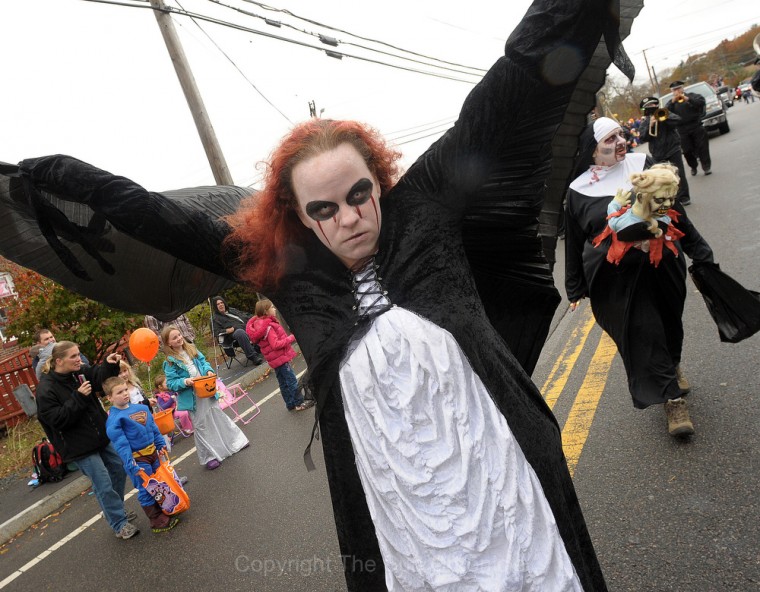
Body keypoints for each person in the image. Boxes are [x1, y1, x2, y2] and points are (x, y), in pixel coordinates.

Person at [2, 1, 649, 588]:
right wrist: (49, 176)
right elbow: (157, 218)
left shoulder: (426, 211)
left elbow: (512, 85)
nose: (348, 217)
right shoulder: (288, 272)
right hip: (404, 530)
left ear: (379, 178)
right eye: (324, 207)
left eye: (359, 193)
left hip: (510, 485)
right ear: (301, 216)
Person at [565, 117, 715, 438]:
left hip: (663, 263)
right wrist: (575, 286)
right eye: (610, 139)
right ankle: (672, 400)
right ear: (592, 151)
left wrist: (699, 249)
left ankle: (672, 363)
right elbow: (576, 239)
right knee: (644, 330)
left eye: (621, 134)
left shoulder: (642, 164)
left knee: (670, 322)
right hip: (619, 277)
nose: (621, 141)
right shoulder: (578, 190)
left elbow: (674, 211)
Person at [36, 341, 139, 539]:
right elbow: (57, 420)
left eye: (79, 354)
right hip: (78, 446)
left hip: (100, 435)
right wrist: (79, 397)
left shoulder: (79, 372)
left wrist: (109, 365)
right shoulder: (46, 389)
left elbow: (99, 379)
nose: (79, 359)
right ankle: (119, 523)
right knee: (103, 483)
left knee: (118, 468)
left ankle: (113, 510)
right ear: (59, 361)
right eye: (73, 356)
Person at [161, 325, 248, 470]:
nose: (179, 338)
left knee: (217, 415)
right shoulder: (169, 362)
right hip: (192, 397)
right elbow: (171, 383)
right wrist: (185, 381)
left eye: (179, 335)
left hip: (206, 389)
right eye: (174, 337)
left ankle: (235, 441)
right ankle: (209, 456)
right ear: (169, 343)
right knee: (201, 425)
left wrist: (208, 370)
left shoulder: (192, 349)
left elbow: (204, 363)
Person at [104, 376, 181, 533]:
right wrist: (130, 463)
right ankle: (157, 521)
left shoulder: (141, 408)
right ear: (109, 397)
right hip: (138, 459)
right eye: (119, 392)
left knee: (161, 482)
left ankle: (168, 508)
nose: (125, 394)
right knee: (146, 488)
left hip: (153, 452)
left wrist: (160, 445)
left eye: (125, 389)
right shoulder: (114, 420)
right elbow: (121, 444)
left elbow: (153, 428)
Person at [246, 299, 308, 411]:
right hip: (280, 358)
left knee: (283, 383)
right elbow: (275, 344)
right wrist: (292, 337)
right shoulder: (268, 327)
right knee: (291, 381)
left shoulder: (260, 326)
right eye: (272, 307)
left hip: (274, 360)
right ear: (266, 311)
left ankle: (290, 404)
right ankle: (299, 403)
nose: (274, 309)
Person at [637, 96, 692, 205]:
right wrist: (650, 125)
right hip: (658, 153)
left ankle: (684, 197)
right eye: (648, 106)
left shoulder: (665, 113)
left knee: (678, 173)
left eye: (653, 105)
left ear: (656, 105)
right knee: (662, 178)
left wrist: (664, 118)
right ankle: (670, 198)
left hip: (672, 149)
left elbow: (677, 120)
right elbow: (642, 137)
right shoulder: (645, 122)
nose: (651, 107)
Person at [665, 80, 711, 176]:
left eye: (678, 88)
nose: (677, 91)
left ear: (682, 88)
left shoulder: (692, 95)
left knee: (703, 148)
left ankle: (706, 167)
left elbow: (701, 102)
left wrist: (688, 99)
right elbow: (665, 113)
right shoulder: (671, 102)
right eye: (674, 90)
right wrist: (672, 103)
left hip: (696, 126)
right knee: (687, 151)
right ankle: (693, 166)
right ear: (672, 92)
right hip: (681, 130)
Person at [210, 296, 264, 365]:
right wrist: (226, 330)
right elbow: (216, 332)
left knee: (259, 321)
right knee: (240, 332)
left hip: (247, 328)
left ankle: (264, 346)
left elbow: (244, 315)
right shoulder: (215, 318)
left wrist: (255, 318)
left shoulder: (232, 310)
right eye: (218, 304)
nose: (221, 305)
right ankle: (253, 357)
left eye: (221, 302)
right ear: (215, 306)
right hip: (233, 335)